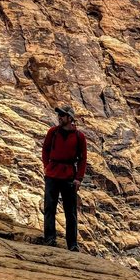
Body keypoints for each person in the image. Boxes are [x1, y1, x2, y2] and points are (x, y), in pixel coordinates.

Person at [41, 105, 87, 251]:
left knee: (70, 212)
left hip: (69, 176)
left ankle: (72, 244)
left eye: (62, 115)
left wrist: (79, 178)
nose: (59, 117)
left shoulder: (79, 137)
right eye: (59, 115)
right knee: (49, 207)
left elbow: (83, 159)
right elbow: (45, 149)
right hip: (52, 174)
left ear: (70, 118)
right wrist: (46, 166)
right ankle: (49, 239)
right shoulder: (52, 132)